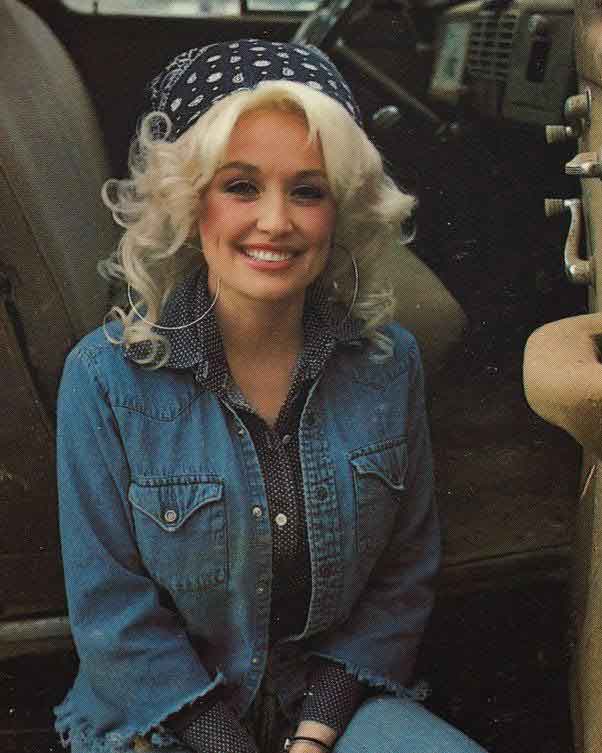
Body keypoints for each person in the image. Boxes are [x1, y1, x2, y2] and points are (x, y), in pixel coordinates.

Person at [53, 39, 488, 753]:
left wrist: (316, 736)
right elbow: (114, 619)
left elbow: (401, 579)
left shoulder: (389, 364)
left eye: (307, 190)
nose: (277, 221)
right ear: (191, 201)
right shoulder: (104, 380)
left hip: (325, 709)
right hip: (163, 722)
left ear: (339, 209)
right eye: (242, 186)